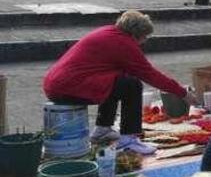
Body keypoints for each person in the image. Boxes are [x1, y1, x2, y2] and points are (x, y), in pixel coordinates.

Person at [43, 10, 198, 145]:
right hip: (68, 88)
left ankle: (102, 129)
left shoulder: (109, 32)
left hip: (57, 84)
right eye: (145, 37)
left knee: (118, 81)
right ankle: (129, 137)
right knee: (132, 85)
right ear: (137, 34)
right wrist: (182, 93)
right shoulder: (124, 43)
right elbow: (151, 75)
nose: (144, 42)